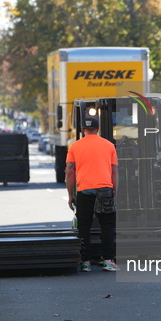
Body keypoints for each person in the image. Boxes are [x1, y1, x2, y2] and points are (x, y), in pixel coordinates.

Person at [66, 115, 119, 272]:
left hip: (84, 191)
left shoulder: (75, 147)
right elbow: (114, 171)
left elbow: (70, 171)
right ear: (97, 129)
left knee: (84, 227)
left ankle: (85, 262)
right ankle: (108, 260)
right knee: (108, 226)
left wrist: (70, 195)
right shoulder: (109, 145)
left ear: (83, 130)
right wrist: (114, 193)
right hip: (105, 191)